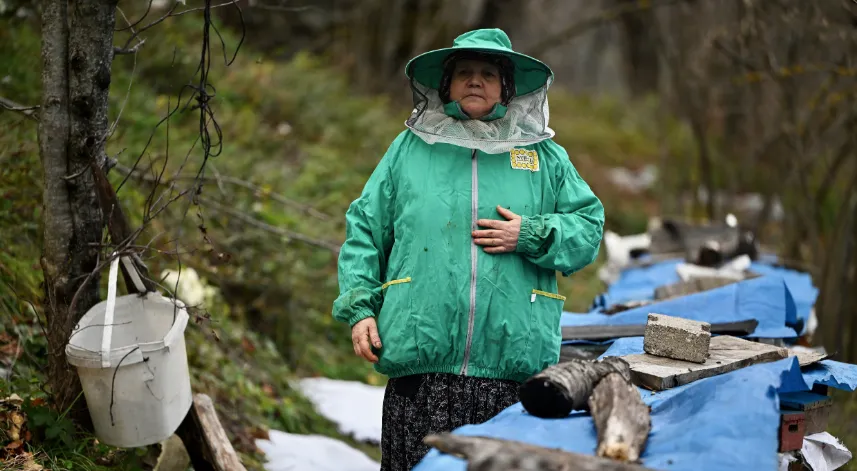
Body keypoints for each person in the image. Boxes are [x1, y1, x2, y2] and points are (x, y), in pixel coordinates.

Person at [332, 28, 605, 470]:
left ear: (506, 88)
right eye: (464, 73)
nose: (475, 81)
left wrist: (530, 234)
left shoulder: (544, 156)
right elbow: (365, 228)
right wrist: (360, 308)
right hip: (419, 367)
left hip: (510, 369)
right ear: (445, 85)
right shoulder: (409, 149)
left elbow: (588, 229)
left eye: (487, 74)